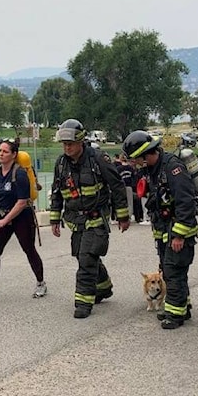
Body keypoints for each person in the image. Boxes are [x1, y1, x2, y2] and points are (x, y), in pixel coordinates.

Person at [49, 119, 129, 319]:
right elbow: (57, 191)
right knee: (82, 255)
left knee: (86, 259)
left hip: (96, 220)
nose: (67, 147)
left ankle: (83, 302)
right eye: (64, 144)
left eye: (70, 144)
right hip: (76, 221)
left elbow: (117, 186)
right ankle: (103, 286)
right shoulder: (61, 164)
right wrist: (54, 218)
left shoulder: (98, 159)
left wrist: (123, 215)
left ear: (81, 142)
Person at [122, 130, 198, 330]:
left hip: (178, 232)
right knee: (171, 271)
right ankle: (183, 307)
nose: (135, 164)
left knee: (173, 273)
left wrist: (179, 234)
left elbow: (185, 201)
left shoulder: (173, 168)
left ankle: (174, 315)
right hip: (165, 232)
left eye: (137, 160)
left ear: (146, 155)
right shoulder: (154, 170)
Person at [0, 139, 47, 303]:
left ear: (14, 155)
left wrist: (5, 221)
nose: (1, 154)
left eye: (5, 151)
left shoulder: (19, 174)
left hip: (22, 216)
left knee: (29, 249)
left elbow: (22, 201)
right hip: (2, 215)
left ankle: (41, 283)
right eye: (0, 150)